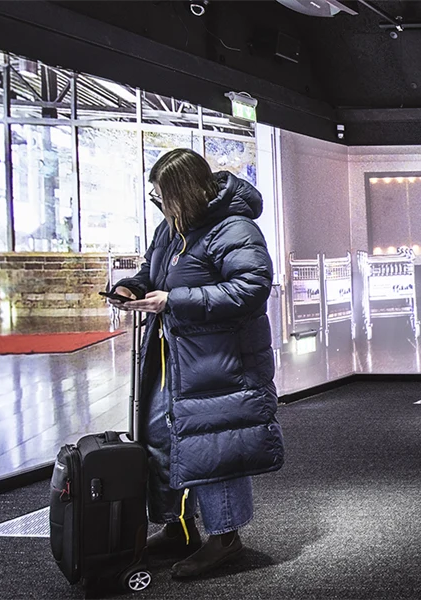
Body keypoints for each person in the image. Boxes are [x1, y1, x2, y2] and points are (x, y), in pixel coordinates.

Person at [110, 148, 282, 580]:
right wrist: (132, 289)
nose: (157, 203)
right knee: (159, 437)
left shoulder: (234, 227)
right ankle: (179, 527)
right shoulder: (172, 229)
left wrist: (176, 301)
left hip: (221, 361)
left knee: (215, 443)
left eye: (161, 195)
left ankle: (225, 537)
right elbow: (153, 273)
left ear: (182, 191)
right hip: (175, 358)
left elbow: (252, 287)